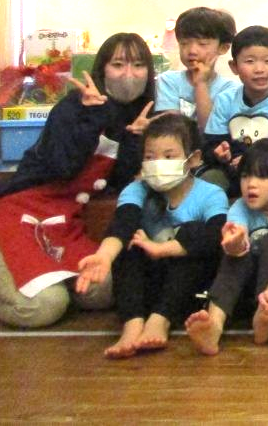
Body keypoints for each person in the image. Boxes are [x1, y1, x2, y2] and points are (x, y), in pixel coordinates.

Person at [0, 33, 158, 329]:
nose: (128, 74)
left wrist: (135, 139)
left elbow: (122, 183)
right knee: (44, 307)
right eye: (118, 65)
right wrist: (93, 116)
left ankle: (49, 284)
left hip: (65, 223)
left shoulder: (139, 116)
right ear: (102, 70)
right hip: (21, 213)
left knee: (103, 289)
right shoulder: (73, 106)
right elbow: (63, 167)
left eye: (138, 65)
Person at [75, 112, 228, 358]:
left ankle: (159, 321)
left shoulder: (210, 194)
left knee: (194, 233)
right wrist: (104, 256)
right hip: (147, 286)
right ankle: (133, 325)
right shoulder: (136, 189)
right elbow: (122, 224)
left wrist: (164, 249)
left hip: (189, 290)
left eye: (169, 156)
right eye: (150, 157)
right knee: (131, 243)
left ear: (193, 159)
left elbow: (215, 237)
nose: (158, 163)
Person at [184, 139, 268, 355]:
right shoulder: (240, 207)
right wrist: (234, 243)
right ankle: (214, 324)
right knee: (236, 256)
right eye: (245, 176)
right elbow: (236, 232)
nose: (251, 184)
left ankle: (263, 317)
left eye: (262, 177)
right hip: (242, 287)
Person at [202, 26, 268, 192]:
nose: (259, 69)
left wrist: (251, 161)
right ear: (234, 66)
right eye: (250, 61)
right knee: (210, 179)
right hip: (233, 170)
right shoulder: (225, 100)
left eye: (267, 61)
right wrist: (219, 153)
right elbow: (210, 146)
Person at [154, 7, 237, 128]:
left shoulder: (230, 89)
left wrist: (201, 84)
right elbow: (172, 129)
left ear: (223, 48)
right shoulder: (168, 81)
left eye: (202, 44)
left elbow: (209, 130)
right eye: (184, 43)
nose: (192, 51)